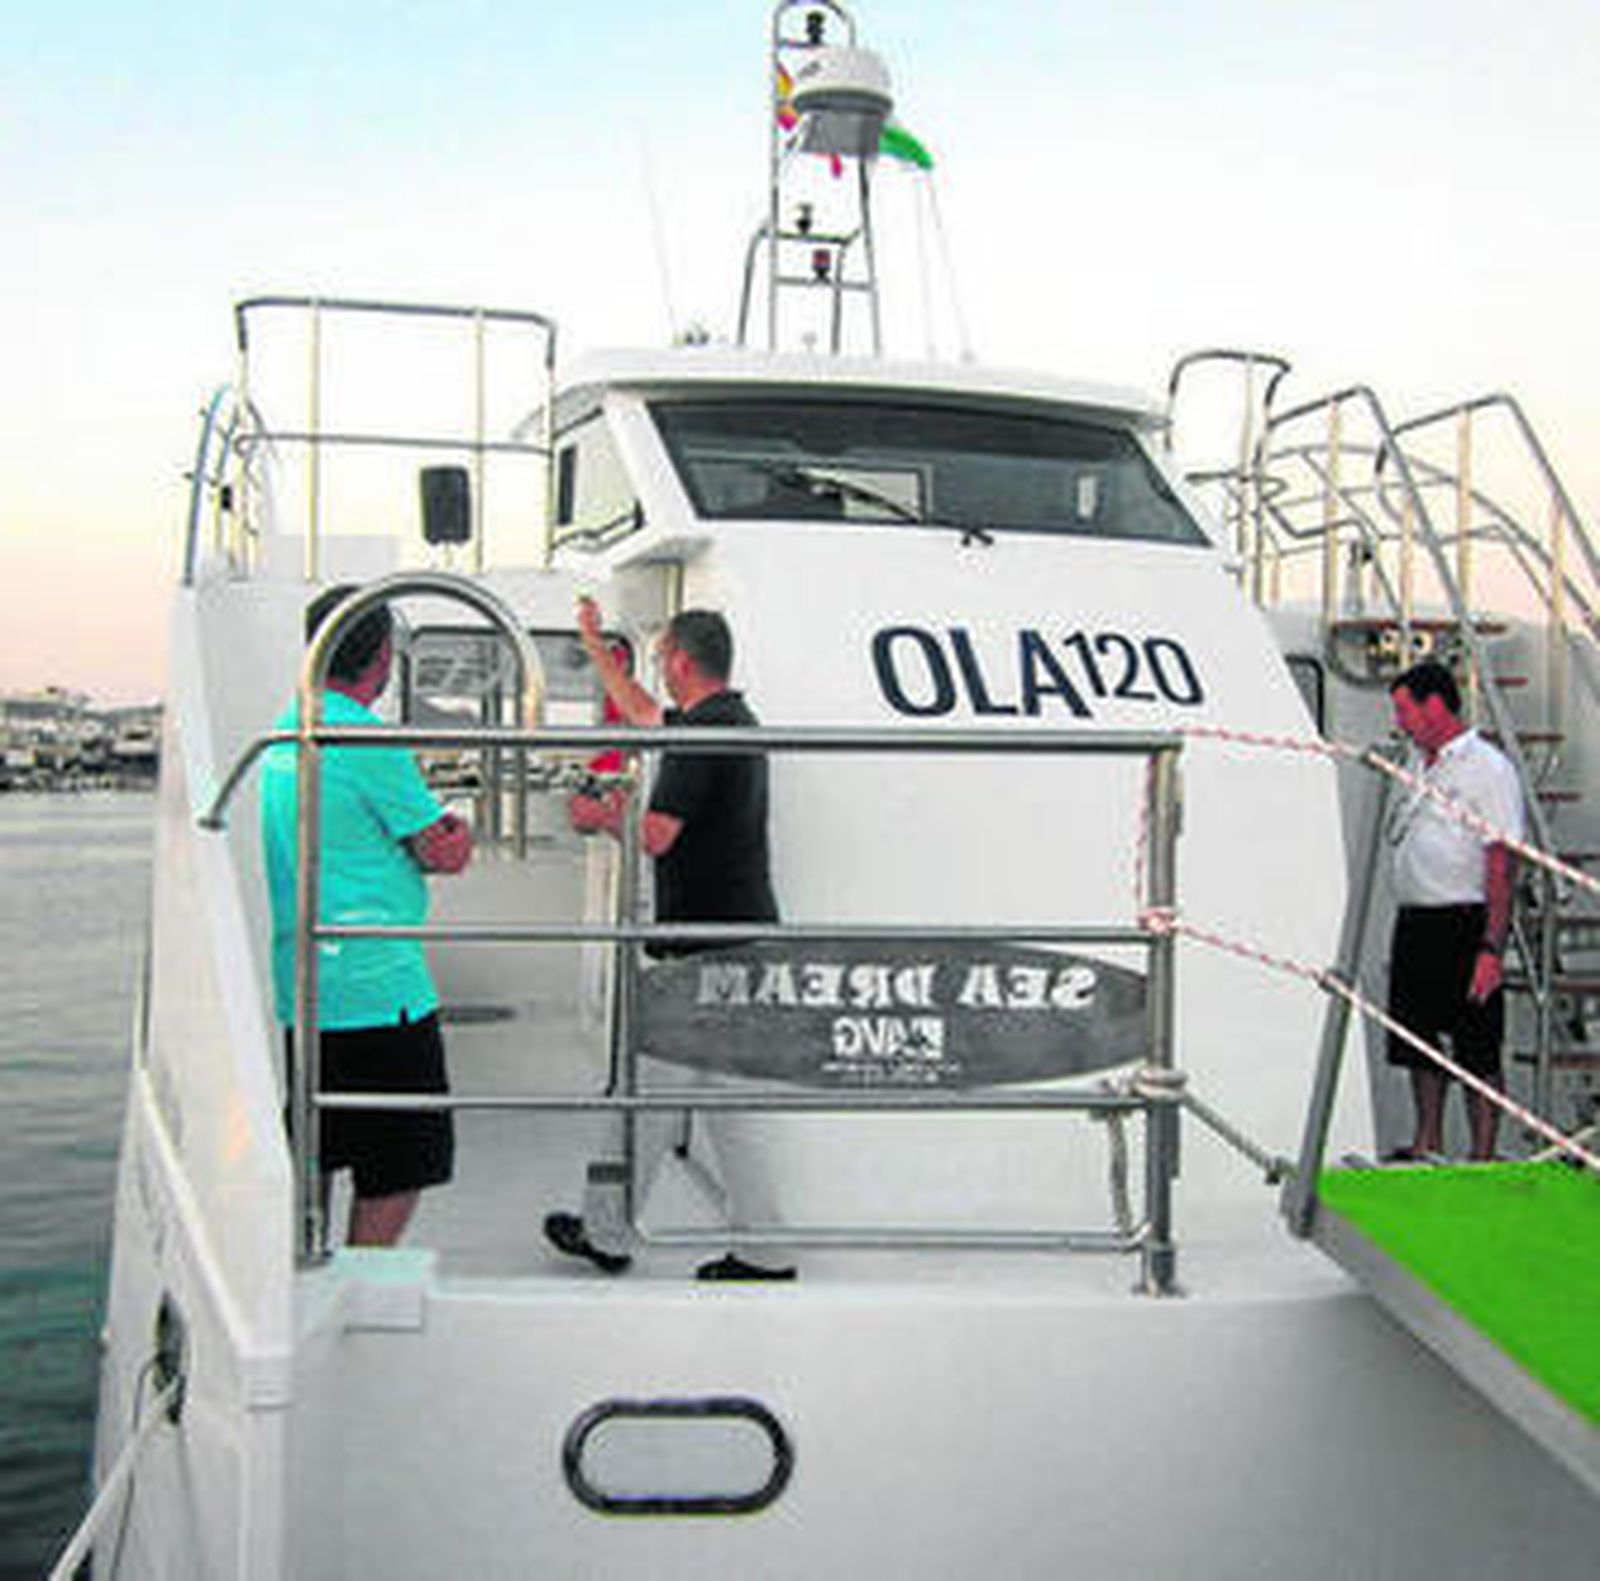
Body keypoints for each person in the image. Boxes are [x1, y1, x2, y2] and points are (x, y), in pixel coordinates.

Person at [544, 596, 790, 1279]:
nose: (657, 669)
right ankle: (757, 1246)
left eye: (660, 659)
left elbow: (656, 834)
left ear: (682, 659)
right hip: (733, 945)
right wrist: (596, 644)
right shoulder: (729, 720)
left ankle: (612, 1232)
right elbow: (643, 710)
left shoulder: (699, 737)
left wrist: (600, 813)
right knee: (705, 1102)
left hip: (703, 954)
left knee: (646, 1096)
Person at [261, 585, 472, 1246]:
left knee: (320, 1140)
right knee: (400, 1159)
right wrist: (457, 830)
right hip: (383, 989)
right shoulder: (365, 737)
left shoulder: (287, 724)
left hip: (307, 986)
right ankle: (357, 1278)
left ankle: (303, 1264)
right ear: (381, 655)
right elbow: (441, 851)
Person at [1385, 659, 1524, 1162]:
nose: (1399, 722)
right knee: (1418, 1037)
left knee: (1476, 1043)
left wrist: (1492, 946)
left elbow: (1502, 861)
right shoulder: (1416, 763)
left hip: (1464, 919)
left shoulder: (1487, 769)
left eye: (1405, 710)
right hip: (1417, 917)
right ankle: (1429, 1140)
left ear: (1435, 705)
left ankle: (1483, 1153)